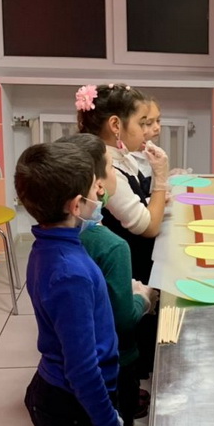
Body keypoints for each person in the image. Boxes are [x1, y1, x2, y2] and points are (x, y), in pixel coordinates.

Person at [15, 142, 135, 426]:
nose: (98, 193)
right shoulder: (70, 272)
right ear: (75, 204)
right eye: (91, 190)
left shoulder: (46, 245)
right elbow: (83, 369)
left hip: (52, 397)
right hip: (75, 408)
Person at [55, 134, 154, 426]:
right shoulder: (112, 246)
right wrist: (143, 298)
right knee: (119, 414)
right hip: (116, 361)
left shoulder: (52, 243)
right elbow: (122, 320)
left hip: (64, 382)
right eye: (111, 168)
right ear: (95, 186)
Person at [75, 84, 168, 283]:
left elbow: (132, 203)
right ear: (116, 125)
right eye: (142, 123)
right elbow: (149, 227)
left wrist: (153, 200)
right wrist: (160, 177)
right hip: (132, 273)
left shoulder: (123, 156)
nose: (146, 132)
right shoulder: (108, 169)